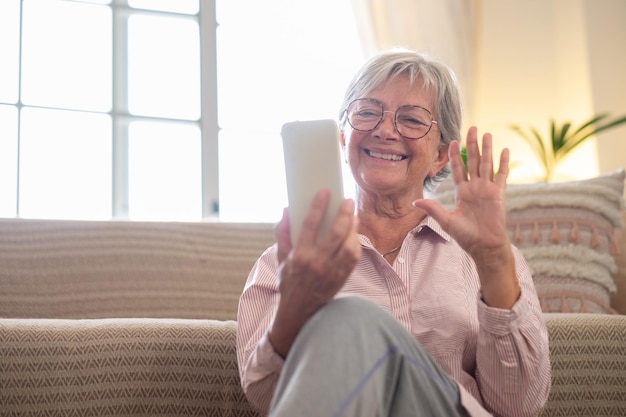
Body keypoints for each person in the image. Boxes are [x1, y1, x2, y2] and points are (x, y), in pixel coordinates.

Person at [236, 49, 551, 417]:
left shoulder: (488, 260)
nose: (385, 130)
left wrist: (493, 261)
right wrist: (297, 305)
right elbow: (265, 395)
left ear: (439, 156)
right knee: (349, 320)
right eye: (367, 112)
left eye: (412, 120)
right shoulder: (287, 263)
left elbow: (520, 406)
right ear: (343, 137)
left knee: (350, 318)